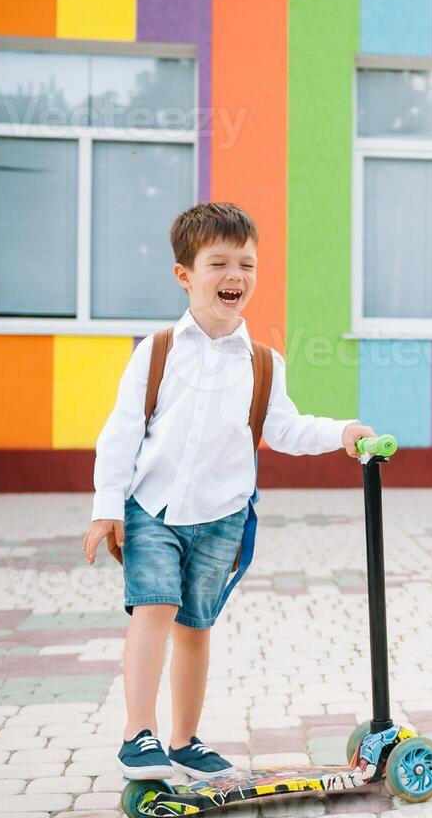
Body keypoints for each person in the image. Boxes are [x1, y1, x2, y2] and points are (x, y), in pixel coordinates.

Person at [80, 201, 374, 779]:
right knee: (155, 607)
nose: (235, 276)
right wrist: (105, 508)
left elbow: (285, 428)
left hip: (222, 517)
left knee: (196, 625)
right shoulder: (158, 350)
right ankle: (140, 733)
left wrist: (342, 432)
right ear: (184, 275)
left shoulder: (263, 363)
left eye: (246, 263)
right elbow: (121, 432)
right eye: (218, 263)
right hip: (152, 510)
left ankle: (185, 740)